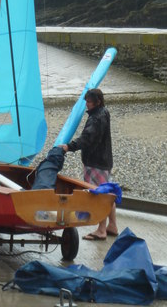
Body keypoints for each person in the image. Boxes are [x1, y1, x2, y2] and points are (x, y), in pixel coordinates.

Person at [58, 88, 118, 241]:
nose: (87, 105)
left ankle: (101, 230)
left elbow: (87, 138)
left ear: (98, 102)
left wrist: (68, 146)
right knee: (108, 192)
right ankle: (112, 225)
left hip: (95, 162)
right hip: (104, 160)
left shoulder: (96, 118)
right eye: (86, 101)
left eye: (89, 102)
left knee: (100, 195)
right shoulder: (104, 112)